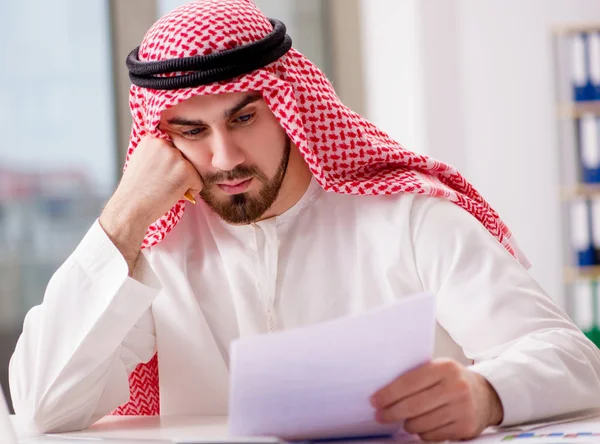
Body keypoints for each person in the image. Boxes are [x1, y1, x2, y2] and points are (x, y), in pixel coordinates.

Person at [8, 0, 600, 441]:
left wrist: (486, 392)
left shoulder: (410, 220)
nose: (224, 158)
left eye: (243, 119)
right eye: (191, 131)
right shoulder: (157, 251)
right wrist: (124, 214)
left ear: (289, 106)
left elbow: (573, 359)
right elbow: (41, 407)